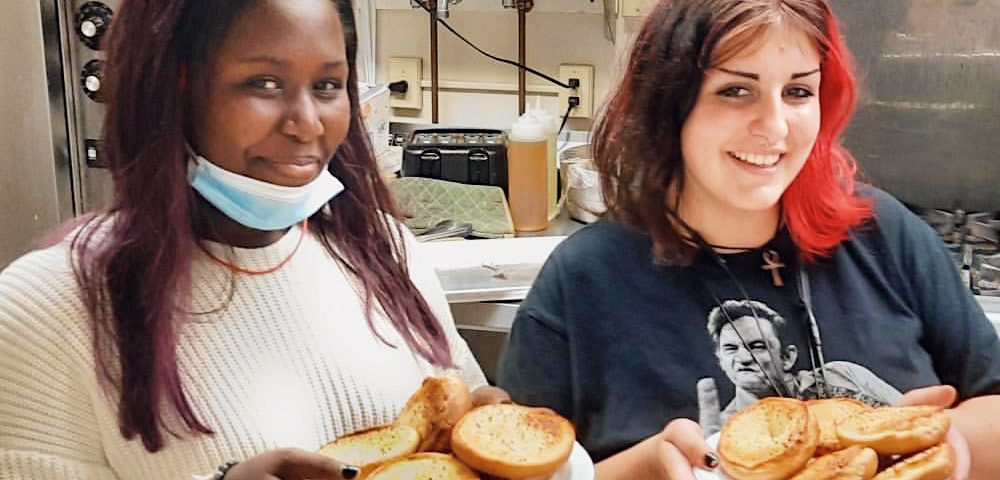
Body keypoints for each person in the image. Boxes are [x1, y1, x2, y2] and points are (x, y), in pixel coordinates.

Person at [0, 0, 504, 478]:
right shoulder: (46, 309)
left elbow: (466, 426)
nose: (307, 123)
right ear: (170, 91)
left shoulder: (385, 253)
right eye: (264, 84)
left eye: (328, 85)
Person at [497, 0, 1000, 478]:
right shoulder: (585, 280)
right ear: (669, 103)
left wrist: (944, 444)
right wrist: (639, 471)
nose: (775, 126)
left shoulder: (883, 233)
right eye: (736, 90)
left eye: (798, 92)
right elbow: (512, 464)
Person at [696, 299, 900, 436]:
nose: (743, 358)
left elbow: (912, 418)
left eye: (757, 346)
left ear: (787, 357)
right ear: (720, 359)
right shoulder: (725, 432)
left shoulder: (843, 375)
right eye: (731, 349)